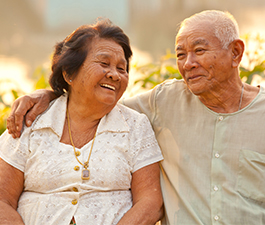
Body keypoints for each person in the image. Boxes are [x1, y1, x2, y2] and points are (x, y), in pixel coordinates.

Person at [5, 9, 265, 225]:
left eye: (199, 50)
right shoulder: (163, 102)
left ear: (236, 53)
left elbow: (150, 203)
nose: (188, 64)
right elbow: (91, 101)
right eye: (181, 55)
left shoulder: (137, 122)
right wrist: (49, 95)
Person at [0, 19, 164, 225]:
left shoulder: (135, 125)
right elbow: (2, 200)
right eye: (104, 64)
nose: (114, 74)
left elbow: (150, 202)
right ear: (69, 73)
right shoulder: (31, 121)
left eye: (122, 68)